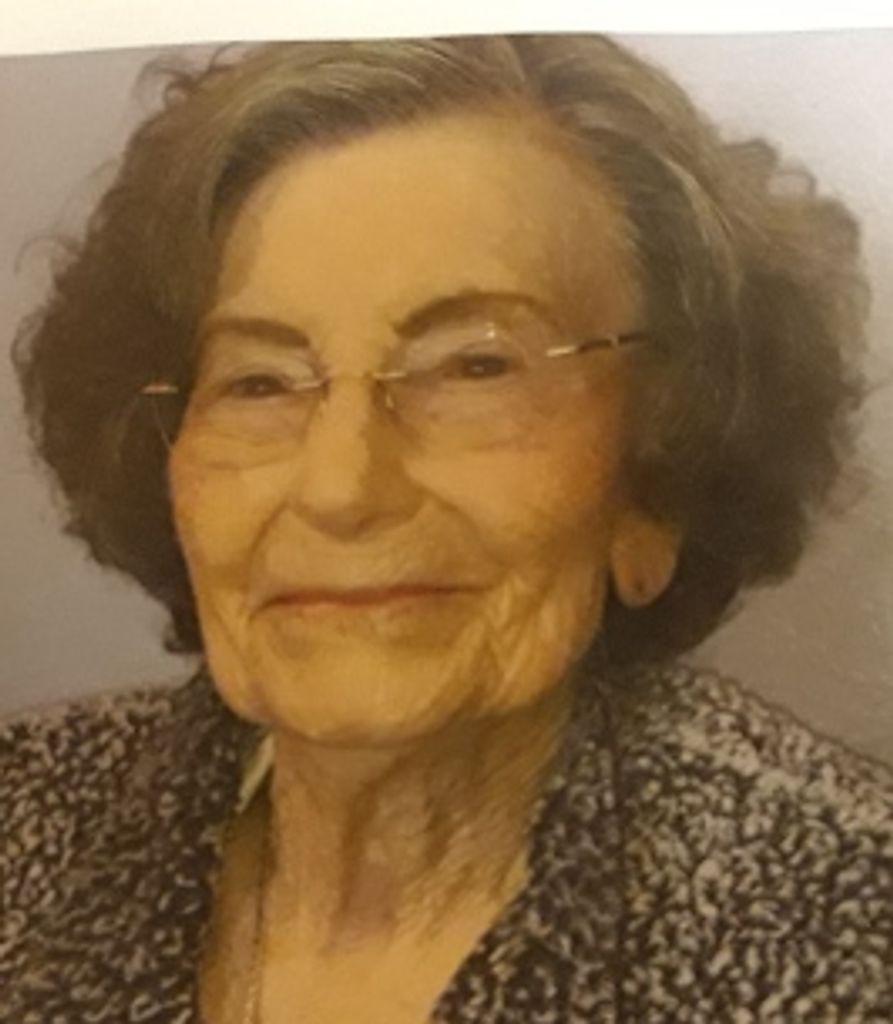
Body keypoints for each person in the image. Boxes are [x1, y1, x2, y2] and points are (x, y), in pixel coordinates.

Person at [3, 33, 892, 1024]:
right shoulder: (23, 818)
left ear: (654, 476)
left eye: (474, 368)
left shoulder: (846, 932)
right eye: (258, 381)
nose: (341, 488)